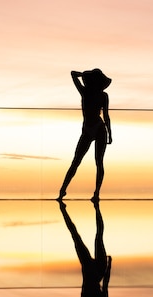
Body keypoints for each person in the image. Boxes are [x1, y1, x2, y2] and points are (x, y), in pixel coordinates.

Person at [57, 69, 112, 202]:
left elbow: (106, 116)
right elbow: (72, 74)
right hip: (89, 130)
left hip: (98, 129)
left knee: (96, 162)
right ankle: (62, 191)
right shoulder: (89, 92)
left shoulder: (92, 93)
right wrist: (86, 75)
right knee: (78, 161)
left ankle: (96, 194)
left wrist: (110, 133)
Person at [58, 200, 112, 297]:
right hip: (93, 270)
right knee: (80, 237)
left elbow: (105, 282)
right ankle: (66, 209)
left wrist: (109, 266)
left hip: (96, 270)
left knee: (94, 236)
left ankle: (95, 207)